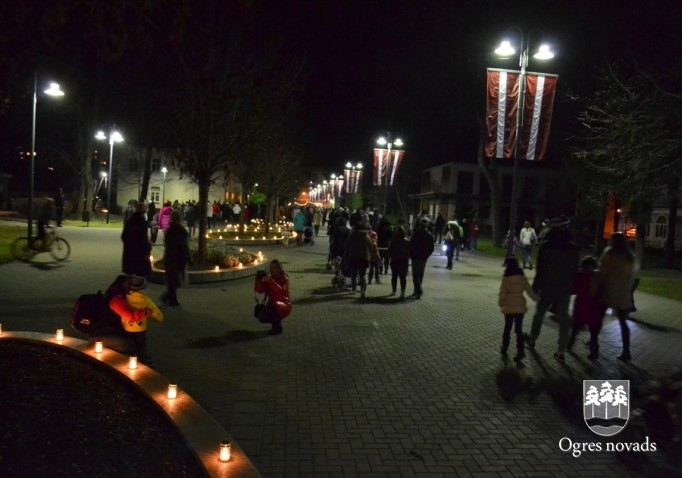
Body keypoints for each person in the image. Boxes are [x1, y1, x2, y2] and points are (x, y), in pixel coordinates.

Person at [524, 217, 579, 363]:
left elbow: (540, 269)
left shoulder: (546, 246)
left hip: (548, 285)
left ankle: (532, 339)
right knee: (563, 319)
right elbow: (575, 270)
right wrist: (573, 287)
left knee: (539, 314)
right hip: (565, 287)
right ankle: (561, 350)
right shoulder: (573, 247)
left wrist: (535, 287)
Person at [596, 232, 637, 362]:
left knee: (598, 318)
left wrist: (598, 286)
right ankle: (626, 350)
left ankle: (593, 342)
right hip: (622, 293)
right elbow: (631, 275)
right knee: (623, 322)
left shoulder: (609, 254)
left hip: (608, 290)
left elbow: (603, 271)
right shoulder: (629, 257)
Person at [498, 257, 539, 362]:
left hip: (509, 307)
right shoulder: (522, 278)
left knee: (507, 328)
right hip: (520, 307)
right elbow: (530, 291)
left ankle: (504, 347)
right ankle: (520, 352)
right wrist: (537, 299)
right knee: (518, 330)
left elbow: (502, 293)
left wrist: (501, 303)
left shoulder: (506, 278)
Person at [567, 256, 602, 361]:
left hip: (582, 307)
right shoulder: (597, 277)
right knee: (593, 333)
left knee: (575, 328)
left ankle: (569, 345)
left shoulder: (581, 276)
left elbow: (574, 289)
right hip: (593, 308)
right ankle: (594, 353)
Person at [123, 275, 164, 364]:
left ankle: (131, 359)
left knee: (131, 343)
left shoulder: (126, 298)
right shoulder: (145, 299)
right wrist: (159, 318)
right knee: (141, 344)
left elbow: (123, 311)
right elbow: (154, 310)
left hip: (128, 326)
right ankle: (142, 359)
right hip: (140, 327)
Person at [255, 259, 292, 335]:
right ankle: (276, 323)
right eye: (270, 268)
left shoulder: (284, 278)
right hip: (273, 304)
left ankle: (277, 328)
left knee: (273, 307)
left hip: (284, 304)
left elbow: (280, 292)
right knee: (261, 317)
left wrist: (270, 281)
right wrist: (258, 280)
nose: (271, 270)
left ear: (279, 269)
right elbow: (260, 290)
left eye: (273, 268)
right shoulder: (271, 278)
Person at [162, 210, 191, 307]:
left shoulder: (169, 230)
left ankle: (168, 298)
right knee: (175, 280)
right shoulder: (181, 230)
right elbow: (184, 245)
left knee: (172, 279)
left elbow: (166, 243)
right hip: (178, 258)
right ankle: (171, 299)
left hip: (169, 257)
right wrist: (188, 257)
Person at [121, 203, 152, 277]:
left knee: (130, 272)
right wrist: (148, 246)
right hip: (140, 251)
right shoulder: (142, 222)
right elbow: (144, 237)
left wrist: (128, 243)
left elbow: (123, 236)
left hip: (129, 250)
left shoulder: (129, 221)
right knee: (140, 273)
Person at [344, 222, 373, 298]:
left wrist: (347, 254)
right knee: (362, 275)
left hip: (353, 257)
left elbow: (346, 246)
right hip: (364, 258)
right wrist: (368, 255)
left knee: (353, 274)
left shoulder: (351, 237)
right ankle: (363, 291)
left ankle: (353, 289)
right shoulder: (366, 237)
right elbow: (371, 247)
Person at [409, 217, 435, 299]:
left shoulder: (416, 233)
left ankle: (418, 290)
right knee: (420, 274)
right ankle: (417, 290)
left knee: (415, 274)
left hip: (415, 257)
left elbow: (410, 245)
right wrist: (426, 255)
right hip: (423, 258)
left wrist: (411, 254)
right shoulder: (429, 235)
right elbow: (431, 248)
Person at [387, 226, 410, 299]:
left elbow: (389, 252)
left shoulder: (393, 241)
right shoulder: (406, 241)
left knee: (394, 277)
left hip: (395, 261)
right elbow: (409, 253)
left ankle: (394, 291)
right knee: (402, 278)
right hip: (403, 262)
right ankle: (402, 292)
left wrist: (386, 261)